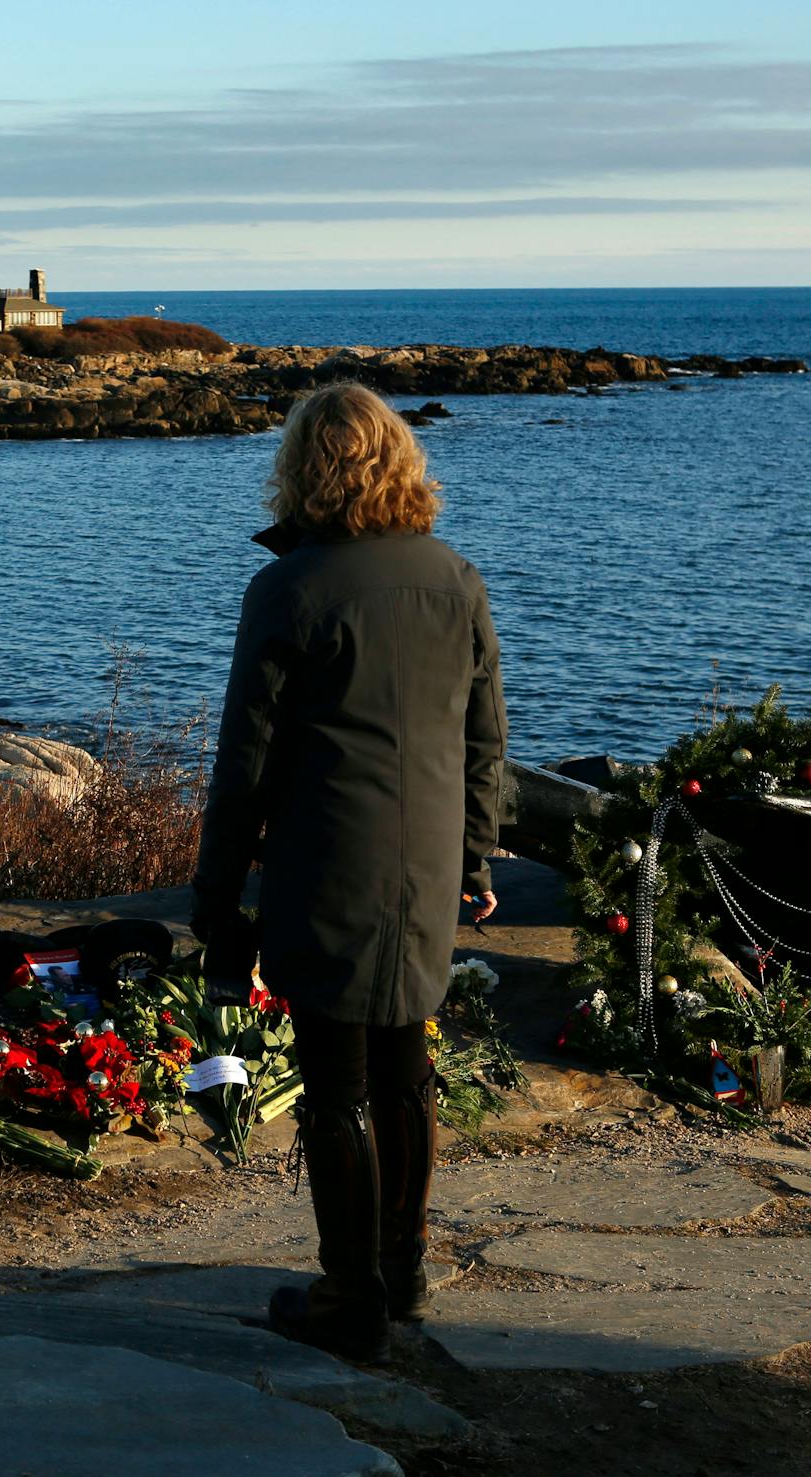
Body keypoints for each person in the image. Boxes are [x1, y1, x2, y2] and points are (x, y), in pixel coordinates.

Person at [190, 381, 507, 1361]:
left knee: (334, 1084)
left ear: (305, 470)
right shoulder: (456, 578)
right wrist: (476, 852)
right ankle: (403, 1269)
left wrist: (216, 896)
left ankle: (349, 1290)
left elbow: (244, 764)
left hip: (328, 859)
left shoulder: (289, 590)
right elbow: (484, 738)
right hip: (424, 860)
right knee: (405, 1064)